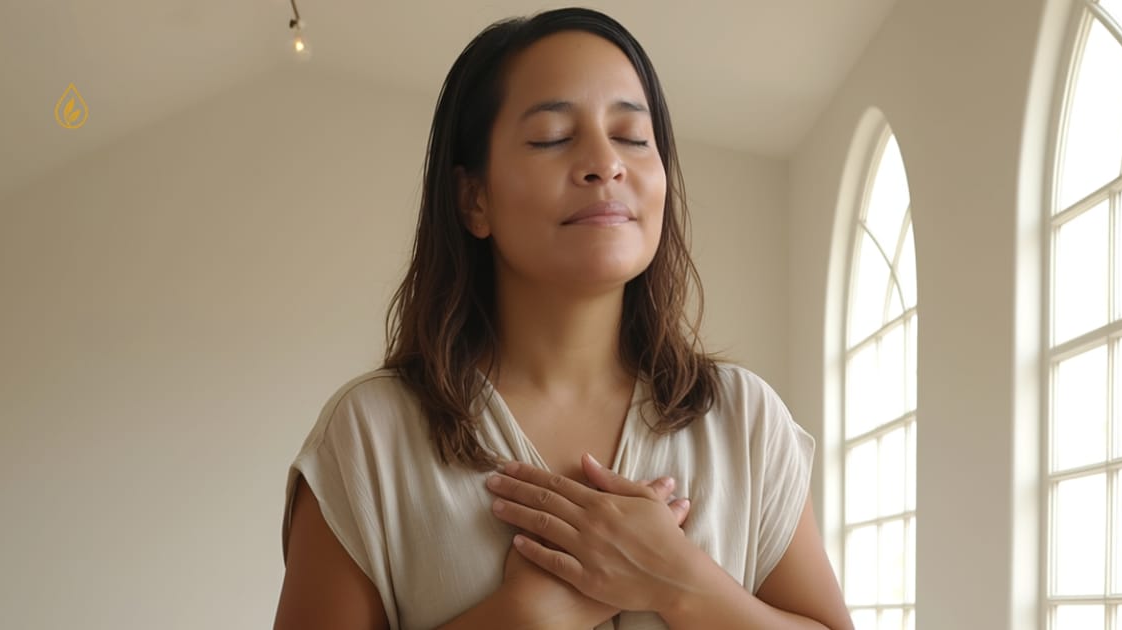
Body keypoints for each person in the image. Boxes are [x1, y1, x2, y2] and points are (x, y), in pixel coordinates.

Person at [273, 7, 852, 630]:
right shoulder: (369, 437)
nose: (605, 163)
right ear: (474, 198)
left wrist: (683, 584)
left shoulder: (747, 422)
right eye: (552, 137)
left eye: (633, 137)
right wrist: (519, 617)